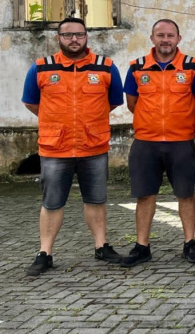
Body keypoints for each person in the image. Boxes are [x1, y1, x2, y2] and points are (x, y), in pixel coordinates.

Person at [23, 17, 124, 276]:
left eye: (79, 34)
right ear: (58, 38)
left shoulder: (106, 67)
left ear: (87, 36)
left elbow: (112, 102)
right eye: (68, 35)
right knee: (52, 202)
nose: (74, 40)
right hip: (56, 148)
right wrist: (58, 123)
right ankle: (45, 252)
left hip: (93, 146)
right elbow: (32, 103)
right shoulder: (41, 68)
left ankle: (101, 247)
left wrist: (88, 123)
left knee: (96, 199)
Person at [121, 19, 195, 267]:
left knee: (186, 193)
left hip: (181, 141)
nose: (165, 40)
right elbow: (132, 103)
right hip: (146, 142)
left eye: (170, 35)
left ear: (178, 39)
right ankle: (142, 246)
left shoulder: (192, 67)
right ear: (152, 38)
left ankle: (190, 243)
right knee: (145, 195)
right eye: (160, 35)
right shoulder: (137, 67)